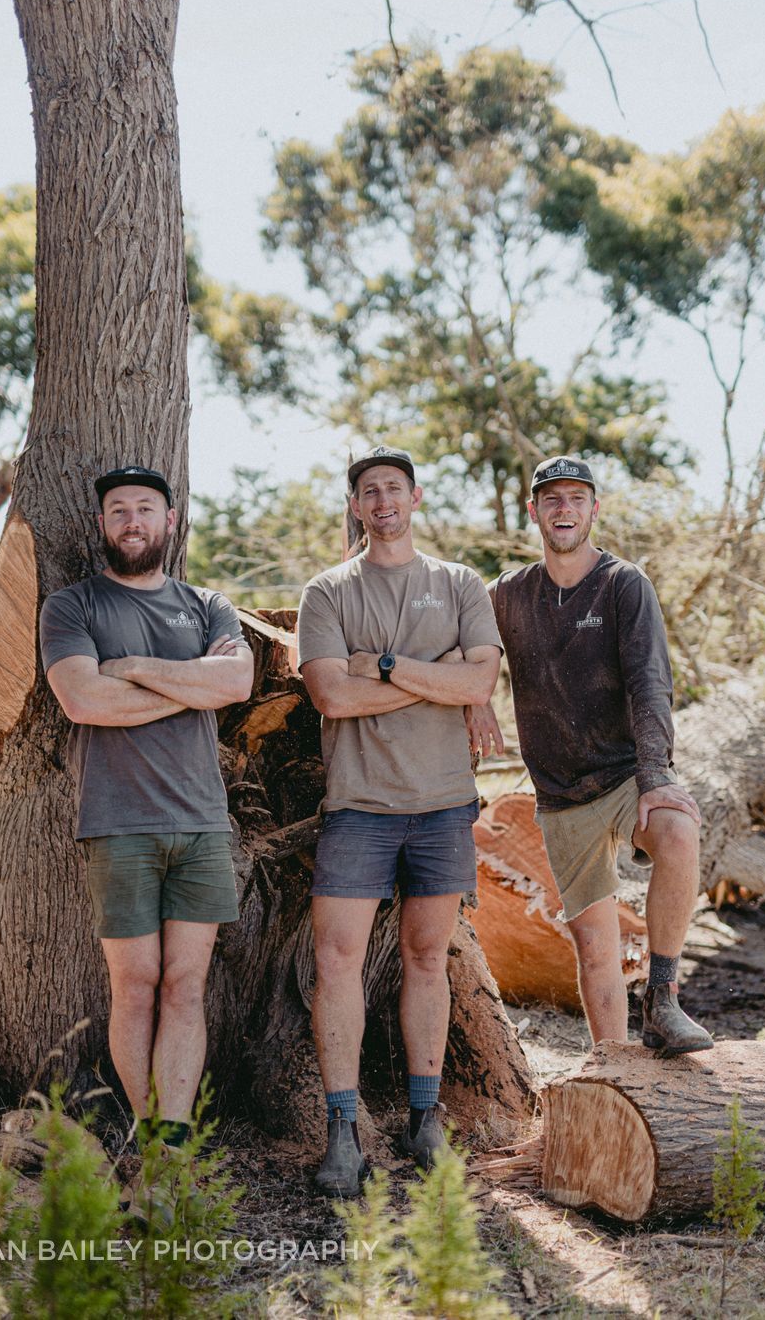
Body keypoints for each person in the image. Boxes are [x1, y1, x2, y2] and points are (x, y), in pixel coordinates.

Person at [297, 446, 503, 1195]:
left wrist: (379, 665)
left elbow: (481, 678)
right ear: (354, 506)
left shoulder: (458, 584)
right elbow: (331, 698)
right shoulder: (327, 593)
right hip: (358, 807)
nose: (382, 500)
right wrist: (435, 677)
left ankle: (424, 1119)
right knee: (337, 962)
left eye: (394, 488)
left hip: (443, 803)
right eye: (367, 490)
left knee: (426, 959)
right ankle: (343, 1131)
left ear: (415, 498)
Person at [39, 465, 253, 1155]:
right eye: (120, 510)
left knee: (186, 985)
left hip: (201, 824)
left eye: (146, 509)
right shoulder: (71, 608)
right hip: (119, 823)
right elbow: (83, 702)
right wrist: (195, 686)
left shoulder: (208, 606)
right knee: (136, 986)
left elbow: (240, 681)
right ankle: (148, 1139)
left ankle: (173, 1136)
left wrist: (128, 666)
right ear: (103, 524)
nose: (133, 520)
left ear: (170, 520)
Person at [475, 456, 713, 1056]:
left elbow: (650, 682)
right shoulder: (508, 594)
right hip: (559, 793)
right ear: (534, 511)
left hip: (626, 774)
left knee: (680, 832)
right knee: (595, 948)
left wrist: (656, 777)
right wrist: (475, 699)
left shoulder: (622, 584)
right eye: (551, 499)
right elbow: (462, 647)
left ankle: (663, 998)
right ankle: (613, 1068)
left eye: (576, 498)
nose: (564, 509)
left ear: (593, 509)